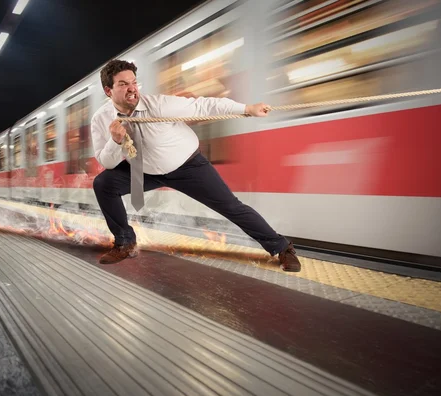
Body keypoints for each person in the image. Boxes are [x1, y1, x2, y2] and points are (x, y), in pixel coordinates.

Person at [91, 59, 301, 272]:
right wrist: (115, 141)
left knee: (232, 207)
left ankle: (282, 248)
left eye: (134, 82)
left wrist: (247, 108)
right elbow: (106, 161)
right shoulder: (100, 119)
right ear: (108, 90)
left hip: (187, 166)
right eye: (123, 84)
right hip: (145, 170)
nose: (132, 88)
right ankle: (125, 243)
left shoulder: (160, 105)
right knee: (103, 184)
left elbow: (205, 106)